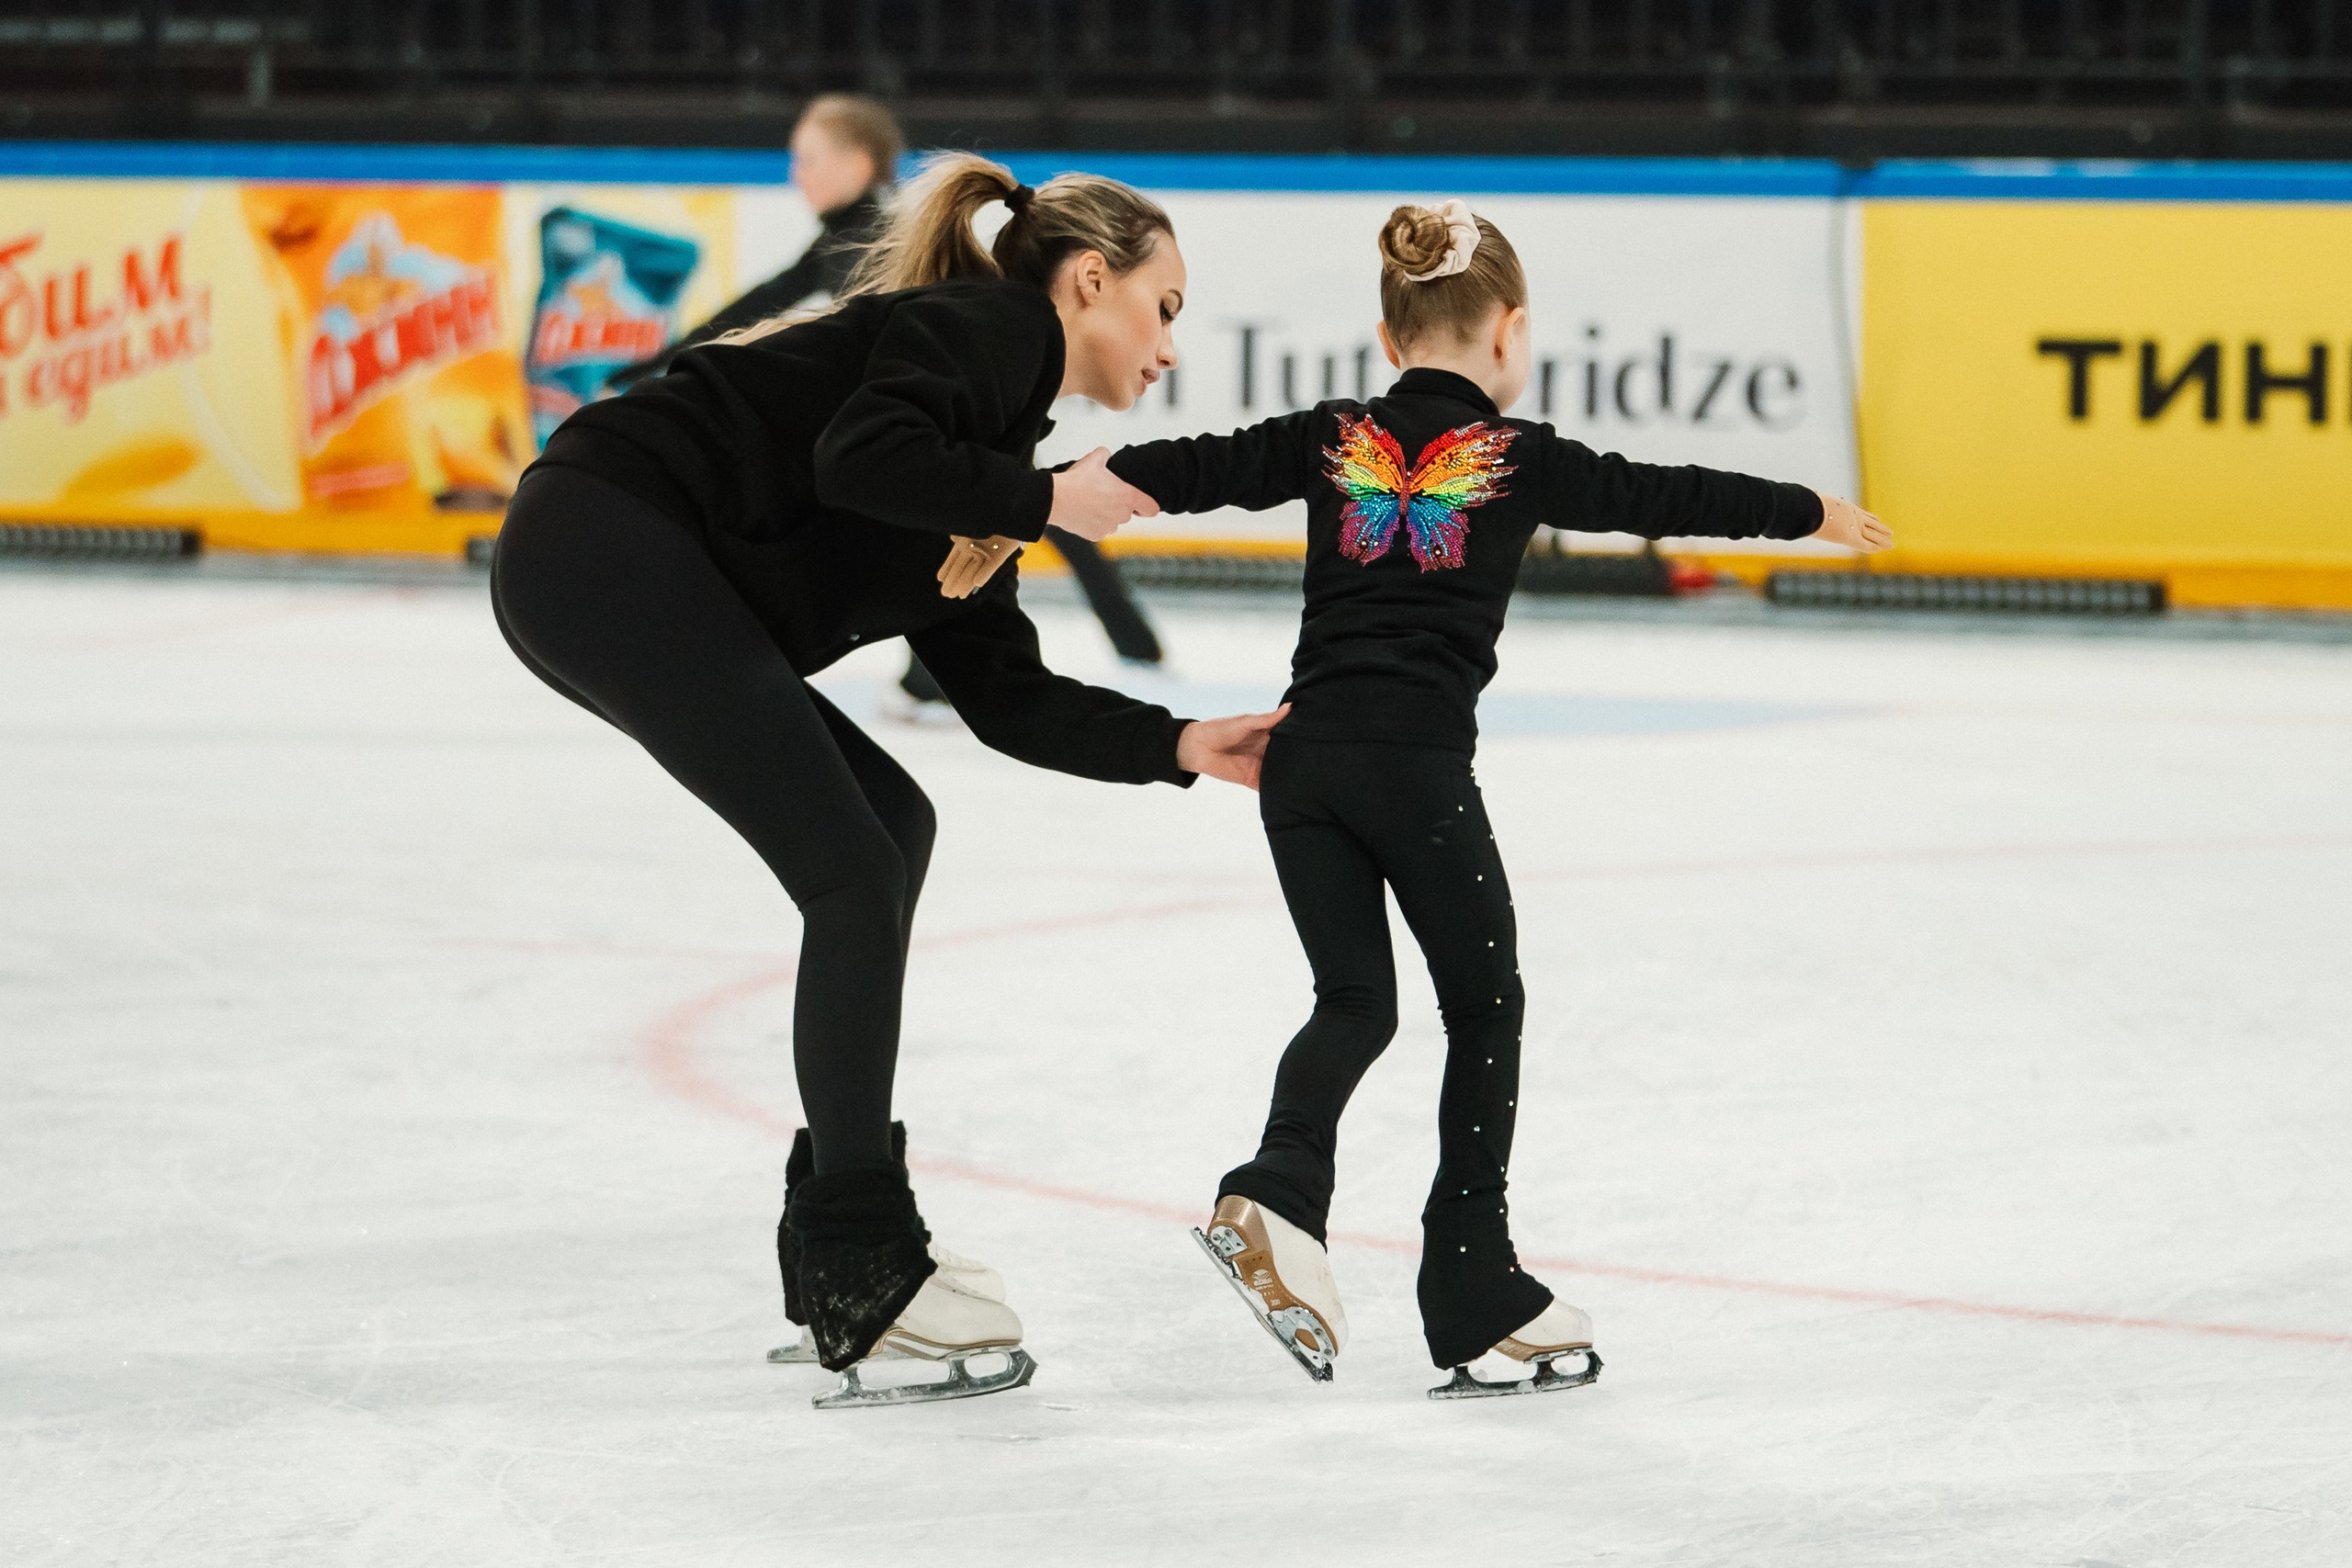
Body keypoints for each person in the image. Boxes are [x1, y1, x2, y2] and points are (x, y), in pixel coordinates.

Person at [491, 152, 1285, 1408]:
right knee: (853, 867)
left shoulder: (986, 449)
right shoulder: (988, 328)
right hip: (604, 534)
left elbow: (1006, 695)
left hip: (618, 561)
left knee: (892, 823)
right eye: (1166, 305)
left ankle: (834, 1247)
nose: (1170, 345)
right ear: (1088, 283)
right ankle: (866, 1260)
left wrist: (1181, 744)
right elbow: (861, 455)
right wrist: (1041, 498)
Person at [1107, 199, 1893, 1397]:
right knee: (1484, 1006)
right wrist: (1811, 512)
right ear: (1510, 333)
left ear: (1387, 338)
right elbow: (1666, 493)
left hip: (1302, 760)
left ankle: (1275, 1185)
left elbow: (1180, 471)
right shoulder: (1518, 458)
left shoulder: (1330, 436)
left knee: (1356, 999)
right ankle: (1472, 1280)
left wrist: (1025, 494)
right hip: (1414, 768)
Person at [605, 94, 899, 390]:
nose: (796, 176)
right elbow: (754, 308)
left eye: (808, 160)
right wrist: (662, 361)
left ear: (858, 167)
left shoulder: (868, 247)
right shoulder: (845, 240)